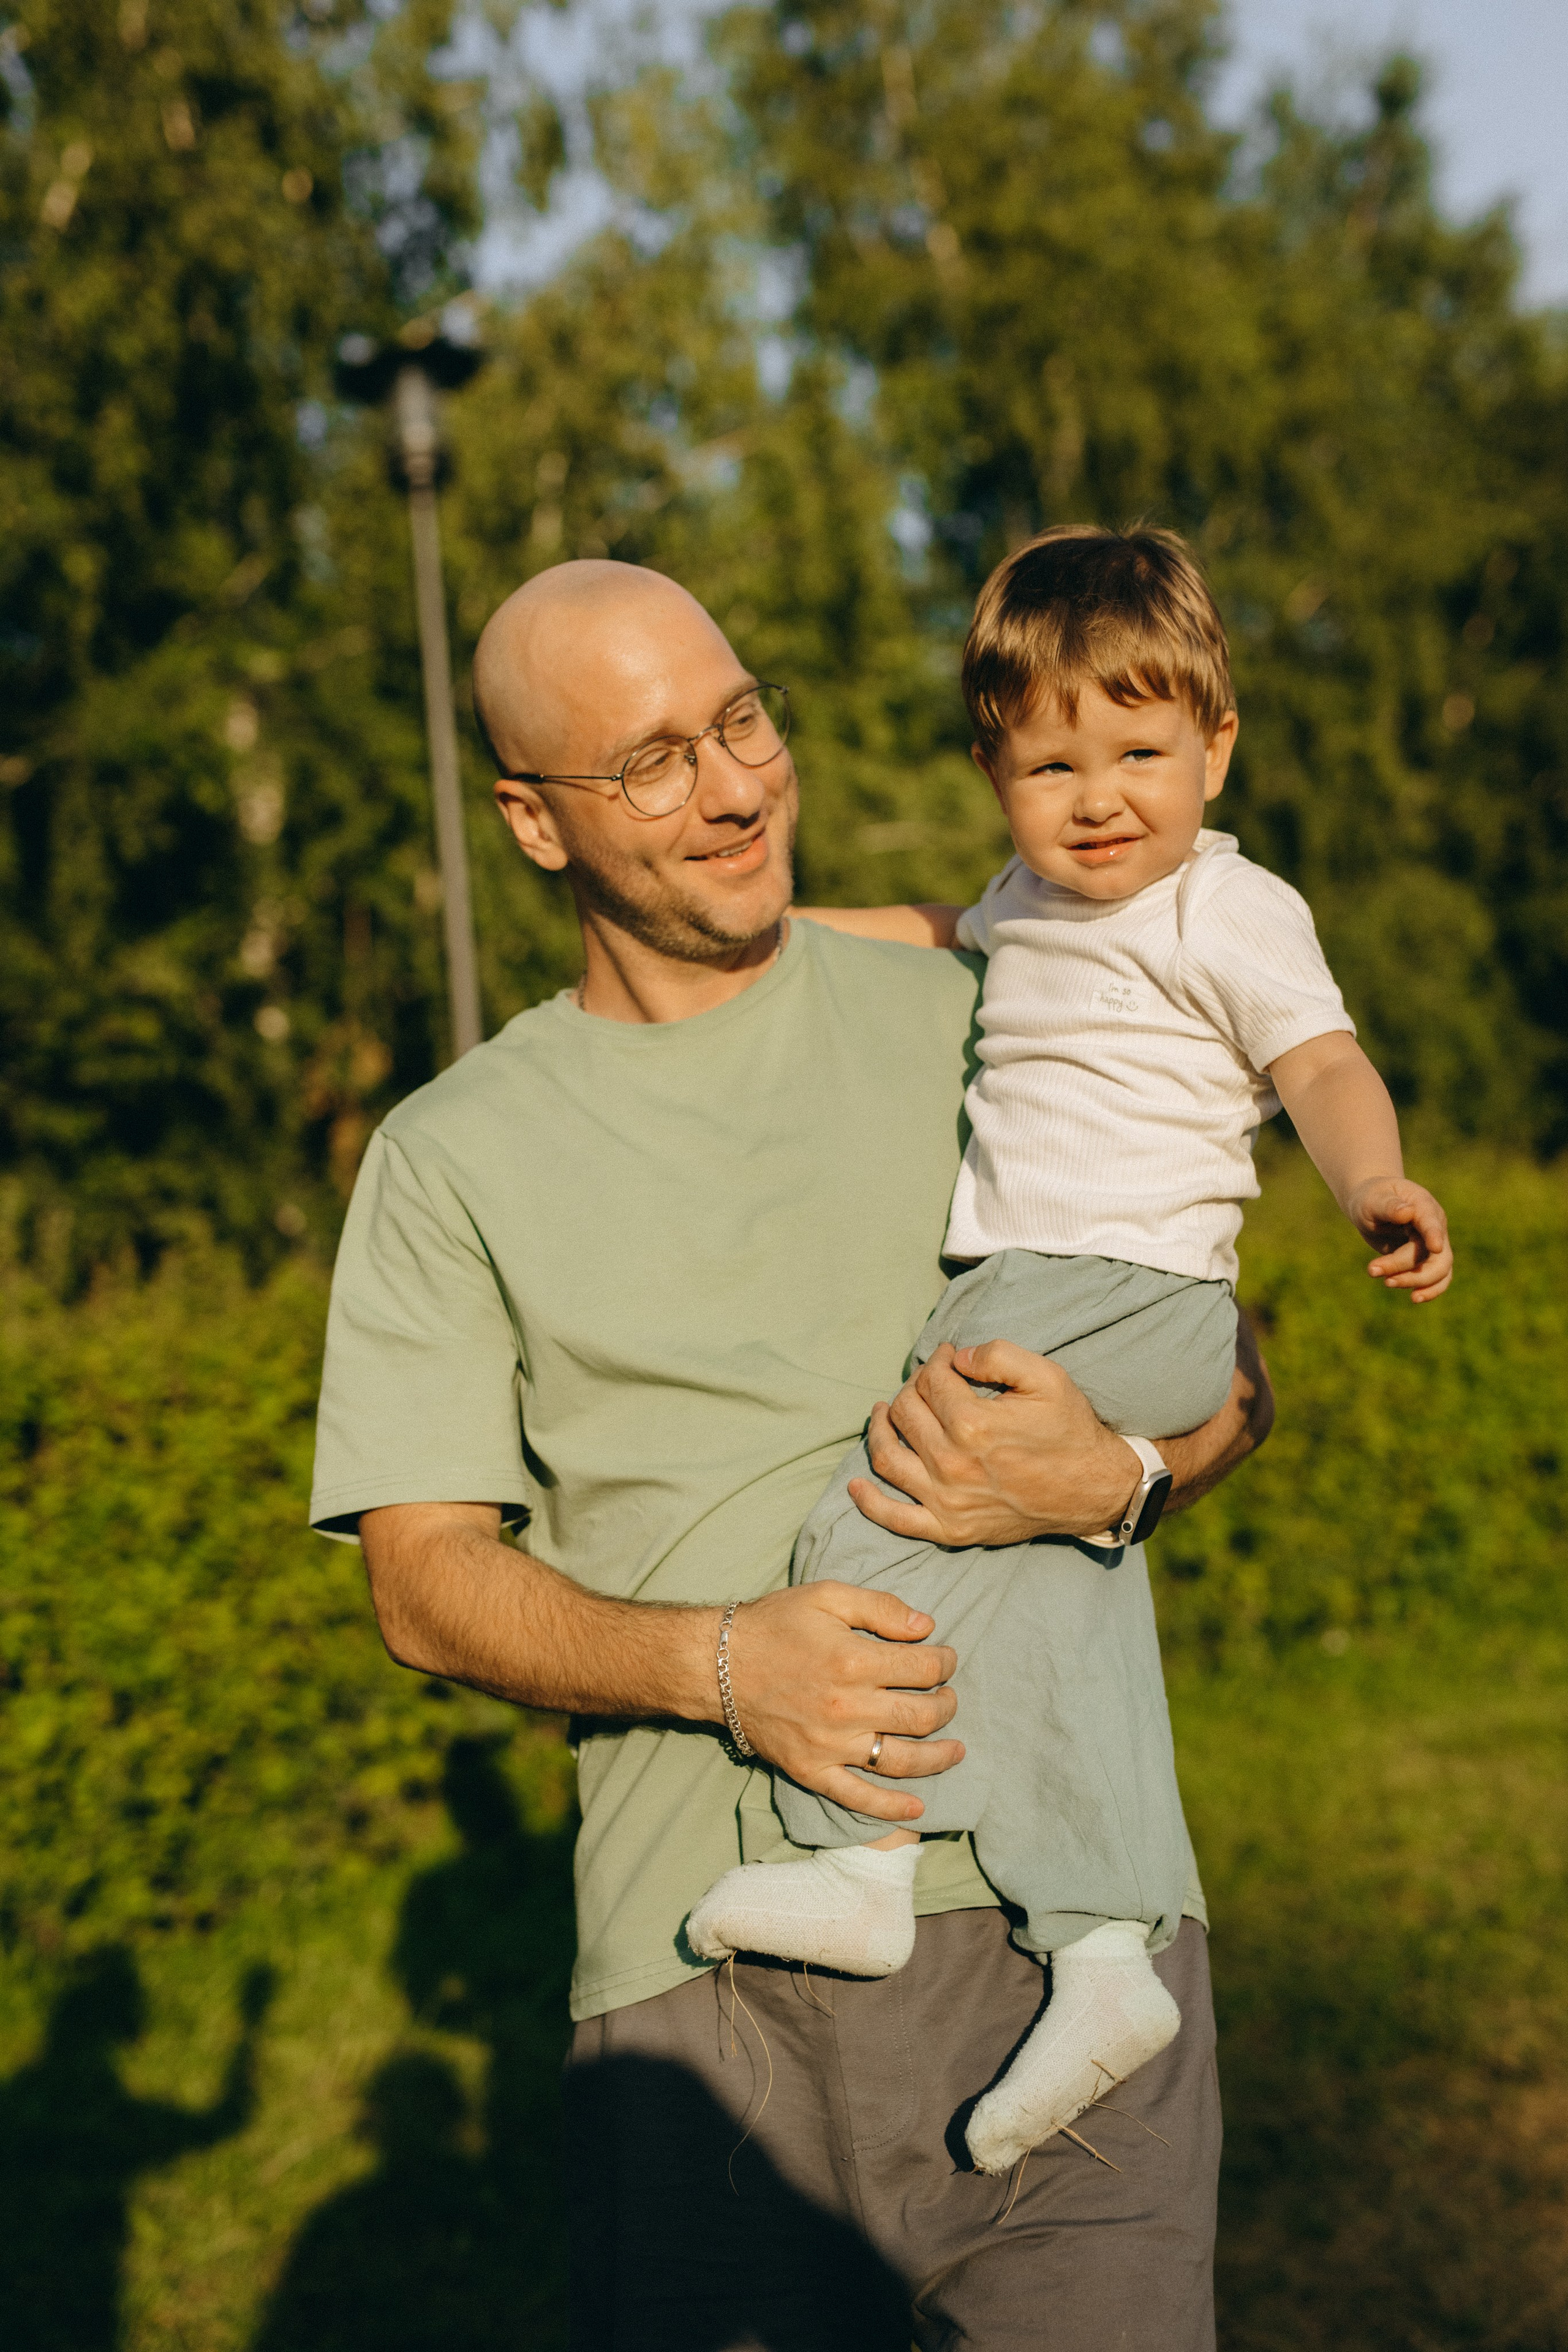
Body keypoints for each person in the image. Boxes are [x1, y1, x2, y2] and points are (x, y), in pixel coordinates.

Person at [309, 557, 1273, 2352]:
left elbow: (1223, 1346)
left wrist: (1126, 1477)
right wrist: (725, 1667)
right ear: (532, 824)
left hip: (1074, 1934)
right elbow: (423, 1584)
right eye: (656, 762)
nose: (737, 785)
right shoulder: (449, 1159)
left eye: (744, 720)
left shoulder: (990, 1011)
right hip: (702, 1986)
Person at [686, 526, 1453, 2179]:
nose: (1101, 796)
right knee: (1056, 1587)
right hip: (1070, 1295)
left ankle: (864, 1858)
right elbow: (942, 926)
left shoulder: (1227, 907)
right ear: (995, 770)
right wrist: (768, 933)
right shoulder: (1032, 904)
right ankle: (1107, 1958)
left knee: (867, 1518)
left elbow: (1321, 1063)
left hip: (1119, 1290)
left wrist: (1368, 1182)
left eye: (1141, 752)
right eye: (1052, 763)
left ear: (1216, 746)